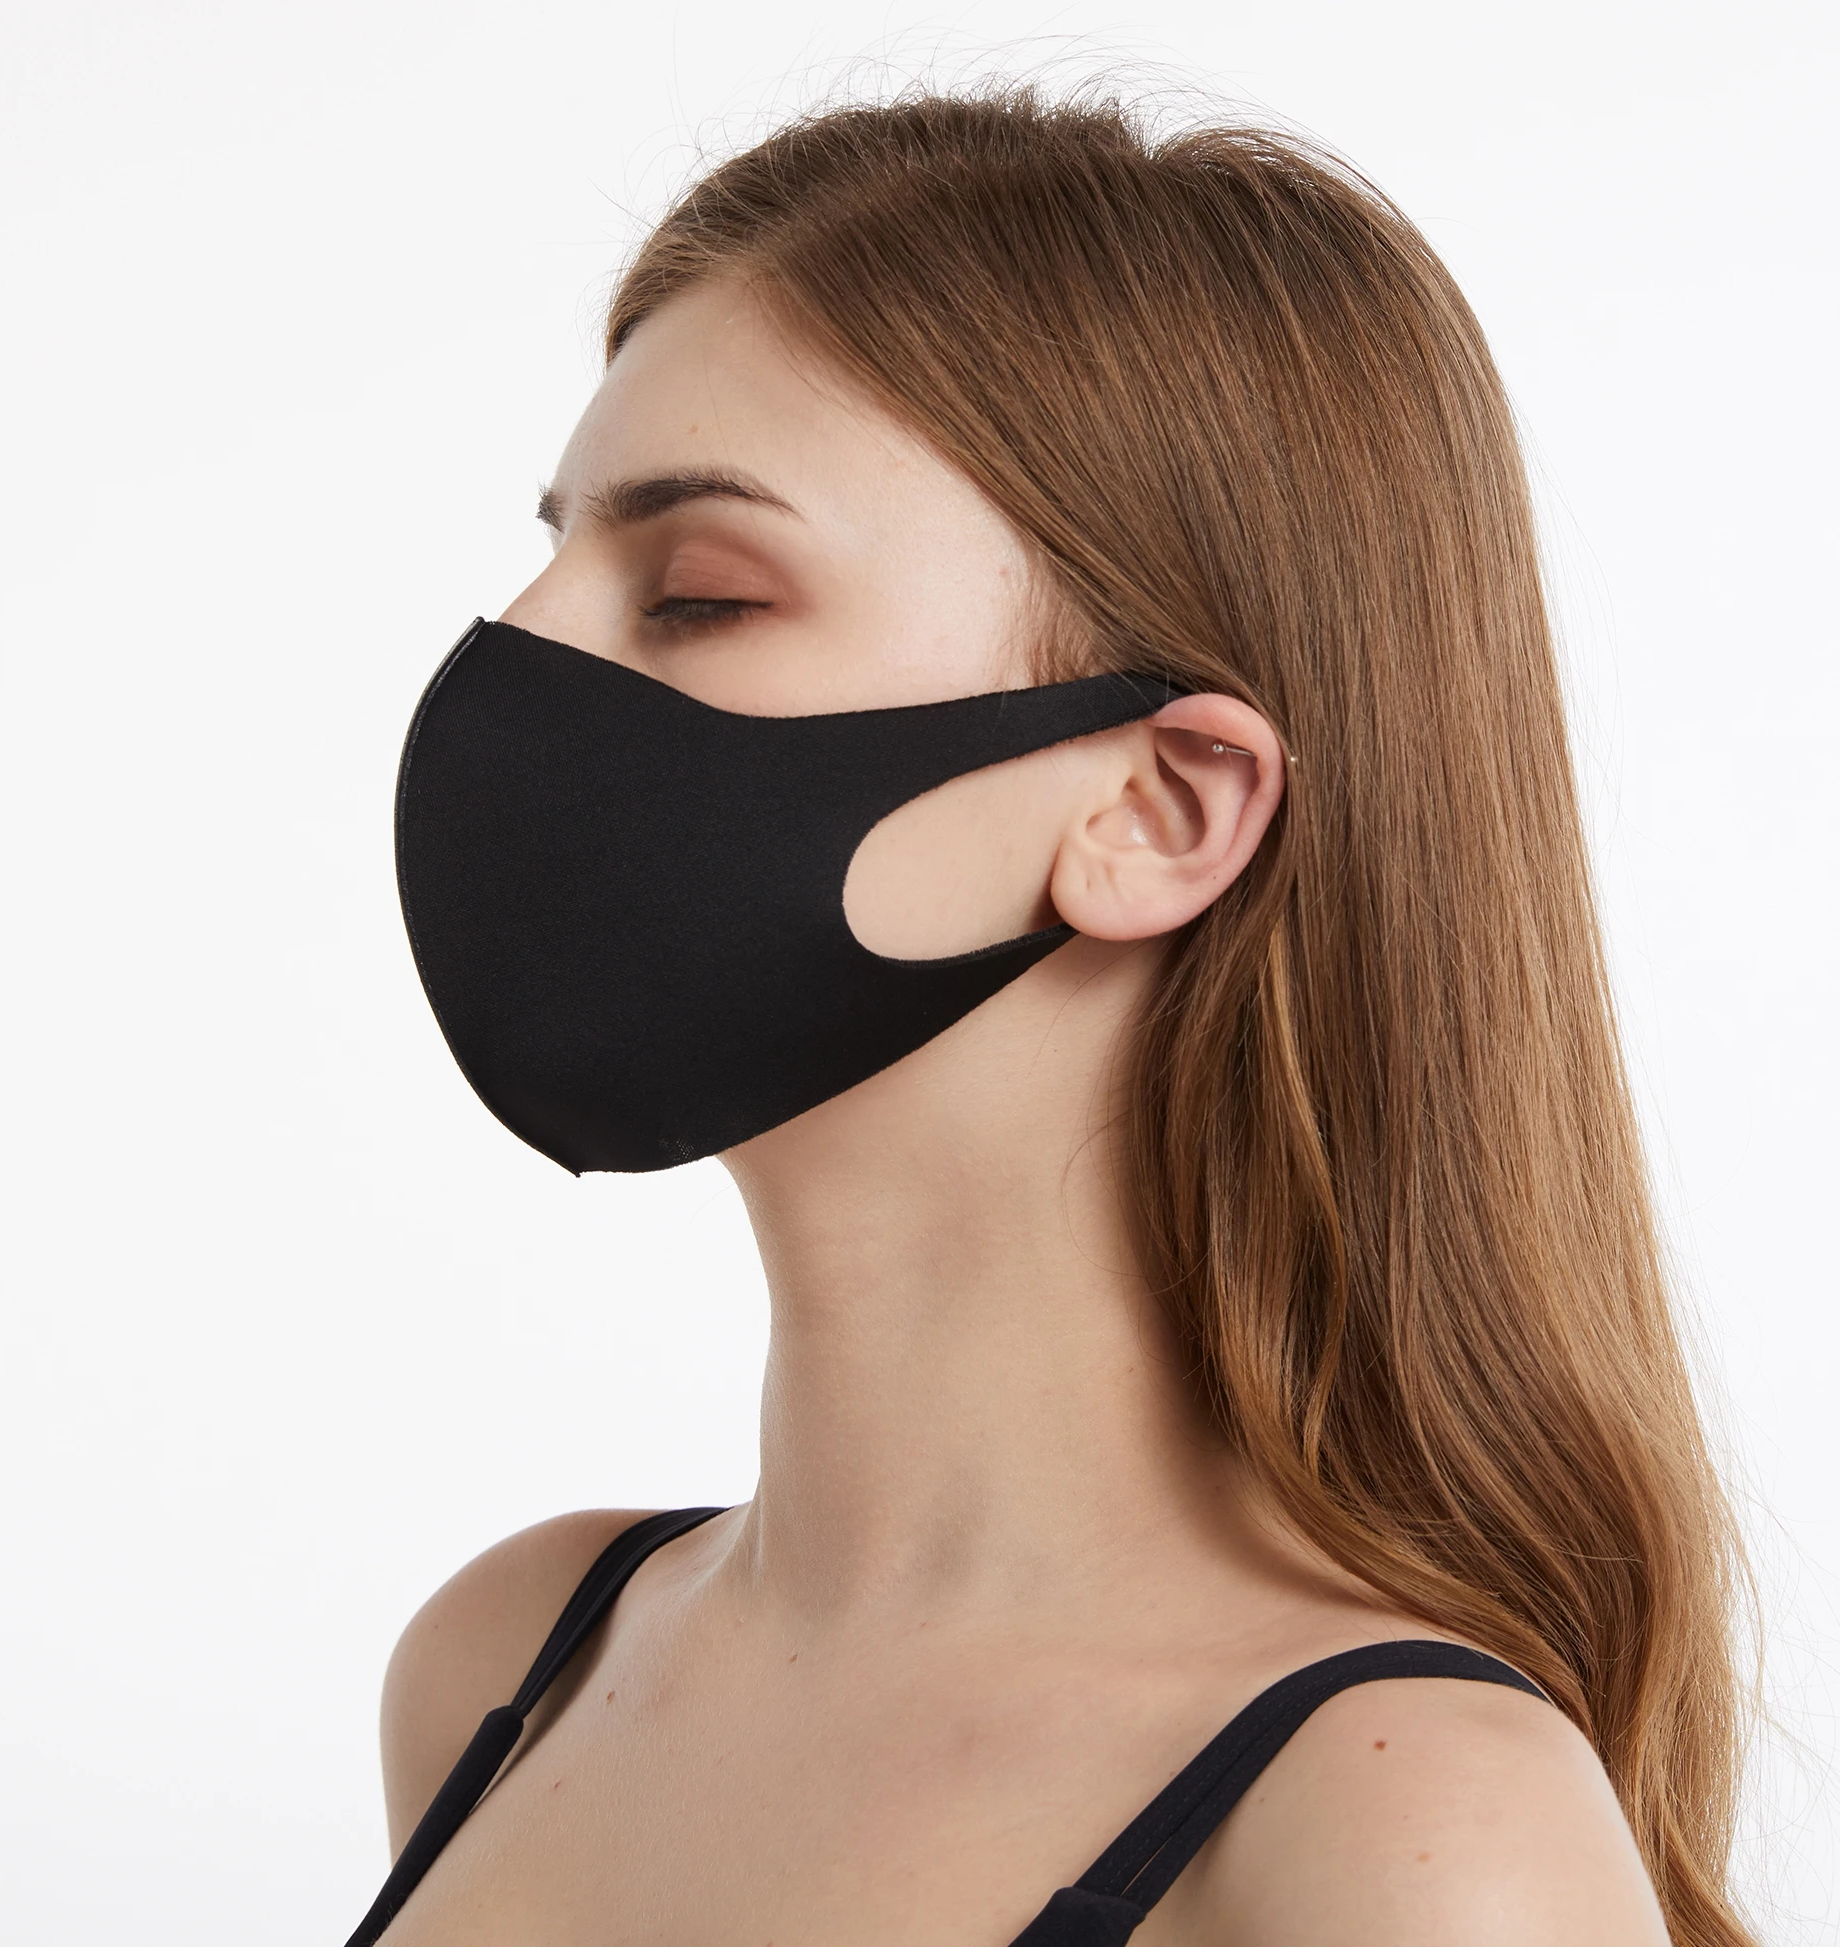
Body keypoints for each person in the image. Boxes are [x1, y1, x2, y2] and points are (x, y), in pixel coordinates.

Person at [351, 88, 1753, 1947]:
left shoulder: (1400, 1828)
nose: (511, 673)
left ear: (1157, 809)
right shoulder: (511, 1664)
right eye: (550, 565)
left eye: (696, 594)